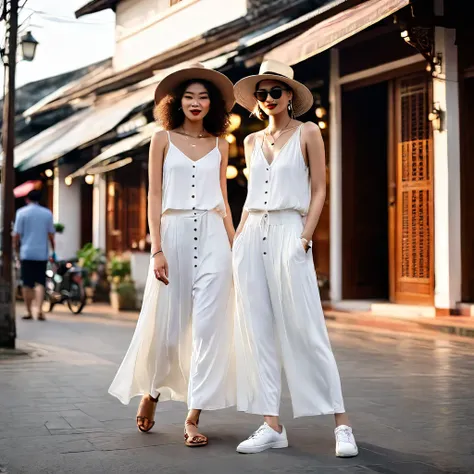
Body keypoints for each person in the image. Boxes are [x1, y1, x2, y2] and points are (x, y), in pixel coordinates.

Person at [232, 60, 358, 457]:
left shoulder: (308, 132)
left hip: (291, 231)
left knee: (307, 329)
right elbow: (249, 202)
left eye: (275, 92)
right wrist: (237, 241)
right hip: (252, 235)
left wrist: (305, 240)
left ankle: (342, 424)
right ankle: (272, 424)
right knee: (258, 330)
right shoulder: (251, 142)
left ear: (290, 95)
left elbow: (319, 190)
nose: (268, 99)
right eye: (262, 93)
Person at [109, 63, 236, 447]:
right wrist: (157, 248)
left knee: (209, 330)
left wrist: (236, 248)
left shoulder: (220, 144)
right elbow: (155, 196)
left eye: (203, 97)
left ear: (212, 104)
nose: (196, 102)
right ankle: (152, 391)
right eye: (189, 96)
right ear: (176, 102)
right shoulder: (161, 139)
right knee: (169, 328)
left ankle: (193, 416)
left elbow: (225, 201)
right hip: (174, 234)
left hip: (214, 235)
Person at [13, 189, 55, 321]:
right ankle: (40, 310)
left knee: (27, 283)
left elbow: (17, 235)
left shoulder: (21, 213)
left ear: (27, 199)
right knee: (40, 282)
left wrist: (16, 250)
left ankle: (28, 311)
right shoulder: (47, 213)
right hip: (41, 253)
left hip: (27, 252)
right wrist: (53, 250)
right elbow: (51, 234)